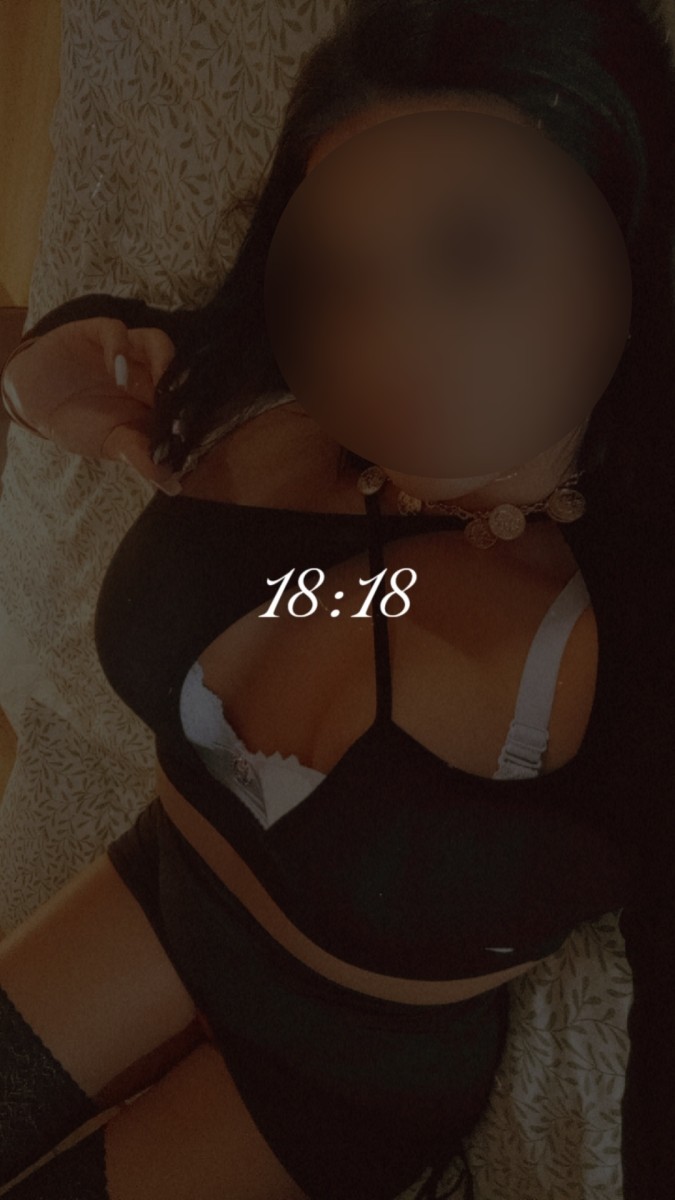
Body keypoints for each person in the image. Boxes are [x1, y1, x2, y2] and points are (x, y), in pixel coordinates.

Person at [1, 1, 675, 1198]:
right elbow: (124, 351)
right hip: (160, 894)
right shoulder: (272, 380)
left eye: (474, 253)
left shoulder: (630, 651)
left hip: (333, 1081)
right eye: (343, 270)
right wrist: (36, 384)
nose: (392, 339)